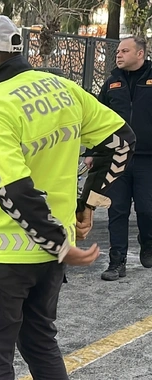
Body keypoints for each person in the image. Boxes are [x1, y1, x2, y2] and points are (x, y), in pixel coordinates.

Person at [0, 13, 135, 380]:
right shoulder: (61, 87)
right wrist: (86, 206)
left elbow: (11, 188)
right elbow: (122, 141)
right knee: (41, 346)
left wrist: (61, 245)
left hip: (2, 260)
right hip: (49, 262)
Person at [85, 36, 152, 281]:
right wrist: (93, 152)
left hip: (148, 159)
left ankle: (148, 243)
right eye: (118, 52)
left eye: (125, 51)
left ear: (140, 54)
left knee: (147, 209)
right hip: (118, 158)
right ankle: (117, 262)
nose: (119, 55)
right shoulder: (112, 82)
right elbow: (96, 120)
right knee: (117, 211)